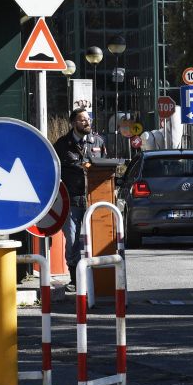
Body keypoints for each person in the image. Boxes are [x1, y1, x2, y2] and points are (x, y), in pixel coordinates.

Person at [53, 107, 107, 292]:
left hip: (94, 200)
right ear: (73, 122)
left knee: (97, 239)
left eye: (88, 119)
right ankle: (75, 278)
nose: (87, 122)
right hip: (71, 201)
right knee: (73, 240)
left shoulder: (98, 141)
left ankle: (97, 279)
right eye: (82, 119)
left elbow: (105, 168)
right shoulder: (61, 145)